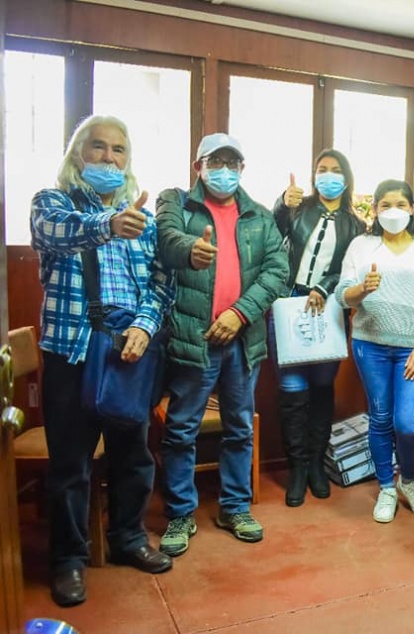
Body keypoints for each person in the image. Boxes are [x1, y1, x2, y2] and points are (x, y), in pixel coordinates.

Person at [30, 114, 175, 606]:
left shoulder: (145, 222)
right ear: (78, 153)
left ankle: (128, 538)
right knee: (71, 463)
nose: (108, 157)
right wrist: (109, 225)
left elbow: (161, 283)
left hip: (129, 350)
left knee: (133, 455)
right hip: (72, 350)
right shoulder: (53, 203)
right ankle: (69, 560)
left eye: (118, 149)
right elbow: (55, 233)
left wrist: (144, 325)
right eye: (98, 146)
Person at [155, 133, 288, 555]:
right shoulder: (176, 203)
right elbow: (167, 239)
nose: (225, 171)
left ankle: (234, 507)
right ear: (198, 167)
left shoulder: (259, 216)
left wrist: (240, 313)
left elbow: (277, 271)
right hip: (193, 338)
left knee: (240, 428)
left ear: (242, 169)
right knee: (181, 429)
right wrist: (190, 249)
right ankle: (180, 512)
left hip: (242, 340)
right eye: (215, 162)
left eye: (232, 163)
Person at [335, 179, 414, 523]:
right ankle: (387, 487)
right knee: (380, 418)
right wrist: (362, 289)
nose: (393, 211)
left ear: (412, 209)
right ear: (374, 209)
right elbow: (343, 295)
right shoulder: (361, 246)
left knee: (408, 425)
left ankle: (409, 480)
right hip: (369, 346)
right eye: (385, 205)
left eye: (401, 204)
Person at [269, 149, 366, 506]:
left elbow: (349, 270)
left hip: (329, 306)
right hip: (288, 305)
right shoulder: (298, 209)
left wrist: (324, 287)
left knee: (323, 388)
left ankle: (315, 465)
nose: (328, 175)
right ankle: (296, 468)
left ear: (346, 177)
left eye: (335, 170)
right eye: (321, 169)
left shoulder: (356, 225)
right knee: (292, 389)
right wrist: (282, 203)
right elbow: (270, 235)